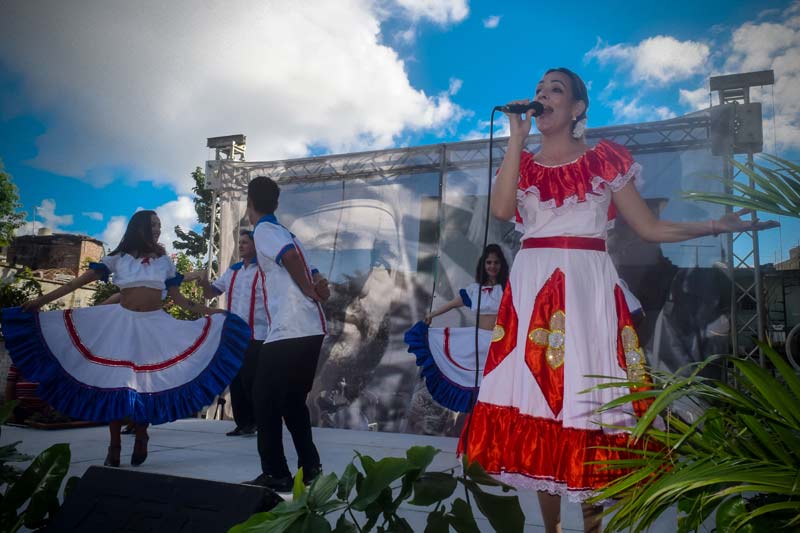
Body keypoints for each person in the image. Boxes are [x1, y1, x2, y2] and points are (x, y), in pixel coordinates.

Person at [458, 68, 779, 533]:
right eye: (538, 90)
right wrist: (515, 139)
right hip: (532, 292)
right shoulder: (523, 165)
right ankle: (551, 530)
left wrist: (714, 226)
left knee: (591, 408)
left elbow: (649, 228)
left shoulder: (604, 159)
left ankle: (593, 529)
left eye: (555, 90)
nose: (542, 96)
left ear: (577, 109)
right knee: (541, 408)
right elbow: (503, 210)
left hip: (586, 291)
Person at [0, 210, 250, 468]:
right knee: (117, 385)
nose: (157, 229)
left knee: (147, 385)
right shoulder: (118, 259)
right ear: (139, 227)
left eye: (159, 225)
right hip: (121, 325)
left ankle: (141, 434)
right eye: (153, 225)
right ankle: (114, 444)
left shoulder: (164, 262)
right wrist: (41, 301)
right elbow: (75, 285)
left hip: (155, 327)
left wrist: (214, 313)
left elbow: (181, 302)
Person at [244, 176, 330, 492]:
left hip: (289, 329)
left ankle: (276, 472)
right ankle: (311, 467)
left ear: (249, 202)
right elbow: (316, 273)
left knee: (264, 398)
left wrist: (309, 288)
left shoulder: (265, 230)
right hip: (310, 328)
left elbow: (290, 259)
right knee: (292, 401)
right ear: (277, 203)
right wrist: (318, 287)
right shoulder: (289, 233)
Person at [404, 244, 509, 412]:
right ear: (483, 265)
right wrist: (433, 314)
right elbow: (453, 304)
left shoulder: (507, 289)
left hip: (498, 343)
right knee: (471, 380)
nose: (492, 266)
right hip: (476, 341)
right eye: (489, 262)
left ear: (501, 265)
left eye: (496, 262)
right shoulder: (475, 290)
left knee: (493, 384)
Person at [197, 229, 268, 436]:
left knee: (252, 379)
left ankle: (260, 422)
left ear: (256, 245)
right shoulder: (233, 271)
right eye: (240, 242)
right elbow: (212, 292)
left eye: (246, 242)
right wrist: (204, 285)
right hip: (235, 335)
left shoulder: (265, 270)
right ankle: (244, 423)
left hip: (259, 333)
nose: (241, 245)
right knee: (236, 379)